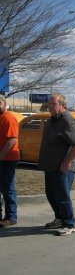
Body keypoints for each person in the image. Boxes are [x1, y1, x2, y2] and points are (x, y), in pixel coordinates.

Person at [39, 93, 75, 236]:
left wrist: (67, 161)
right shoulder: (52, 120)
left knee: (62, 196)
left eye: (54, 104)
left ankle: (70, 223)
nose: (50, 107)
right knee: (51, 195)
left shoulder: (67, 120)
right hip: (51, 165)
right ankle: (60, 219)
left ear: (62, 105)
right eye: (49, 104)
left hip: (63, 167)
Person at [0, 95, 20, 228]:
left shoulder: (8, 118)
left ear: (4, 103)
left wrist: (1, 157)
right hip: (2, 159)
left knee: (7, 188)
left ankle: (11, 217)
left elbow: (12, 140)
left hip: (7, 160)